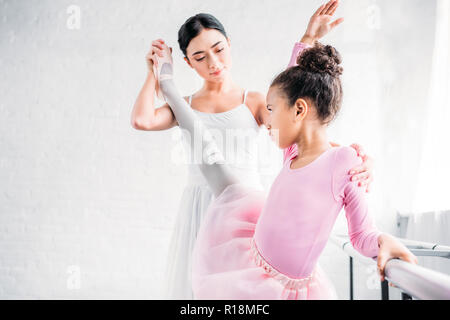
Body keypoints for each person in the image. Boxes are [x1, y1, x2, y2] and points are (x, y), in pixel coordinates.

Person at [132, 0, 374, 299]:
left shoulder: (254, 101)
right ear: (188, 63)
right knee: (198, 290)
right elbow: (142, 120)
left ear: (229, 44)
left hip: (245, 211)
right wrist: (153, 74)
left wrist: (358, 160)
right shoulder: (185, 106)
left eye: (219, 49)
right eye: (200, 56)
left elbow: (297, 118)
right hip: (199, 205)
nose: (213, 62)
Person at [152, 36, 418, 299]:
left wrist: (385, 241)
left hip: (286, 289)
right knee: (209, 154)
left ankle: (168, 88)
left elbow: (361, 235)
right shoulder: (292, 152)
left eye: (271, 110)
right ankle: (168, 88)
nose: (267, 122)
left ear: (299, 110)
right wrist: (306, 41)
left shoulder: (344, 161)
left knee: (212, 159)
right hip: (250, 261)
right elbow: (293, 87)